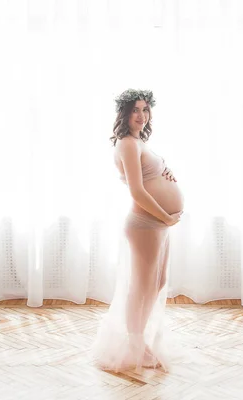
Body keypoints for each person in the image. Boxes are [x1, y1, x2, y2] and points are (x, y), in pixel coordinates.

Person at [92, 89, 184, 373]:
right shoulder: (128, 144)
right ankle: (135, 345)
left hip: (157, 224)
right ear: (124, 113)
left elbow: (149, 175)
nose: (141, 116)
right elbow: (137, 191)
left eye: (145, 110)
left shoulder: (138, 142)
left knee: (156, 283)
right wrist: (166, 217)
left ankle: (139, 339)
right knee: (141, 287)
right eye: (135, 110)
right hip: (145, 224)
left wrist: (165, 171)